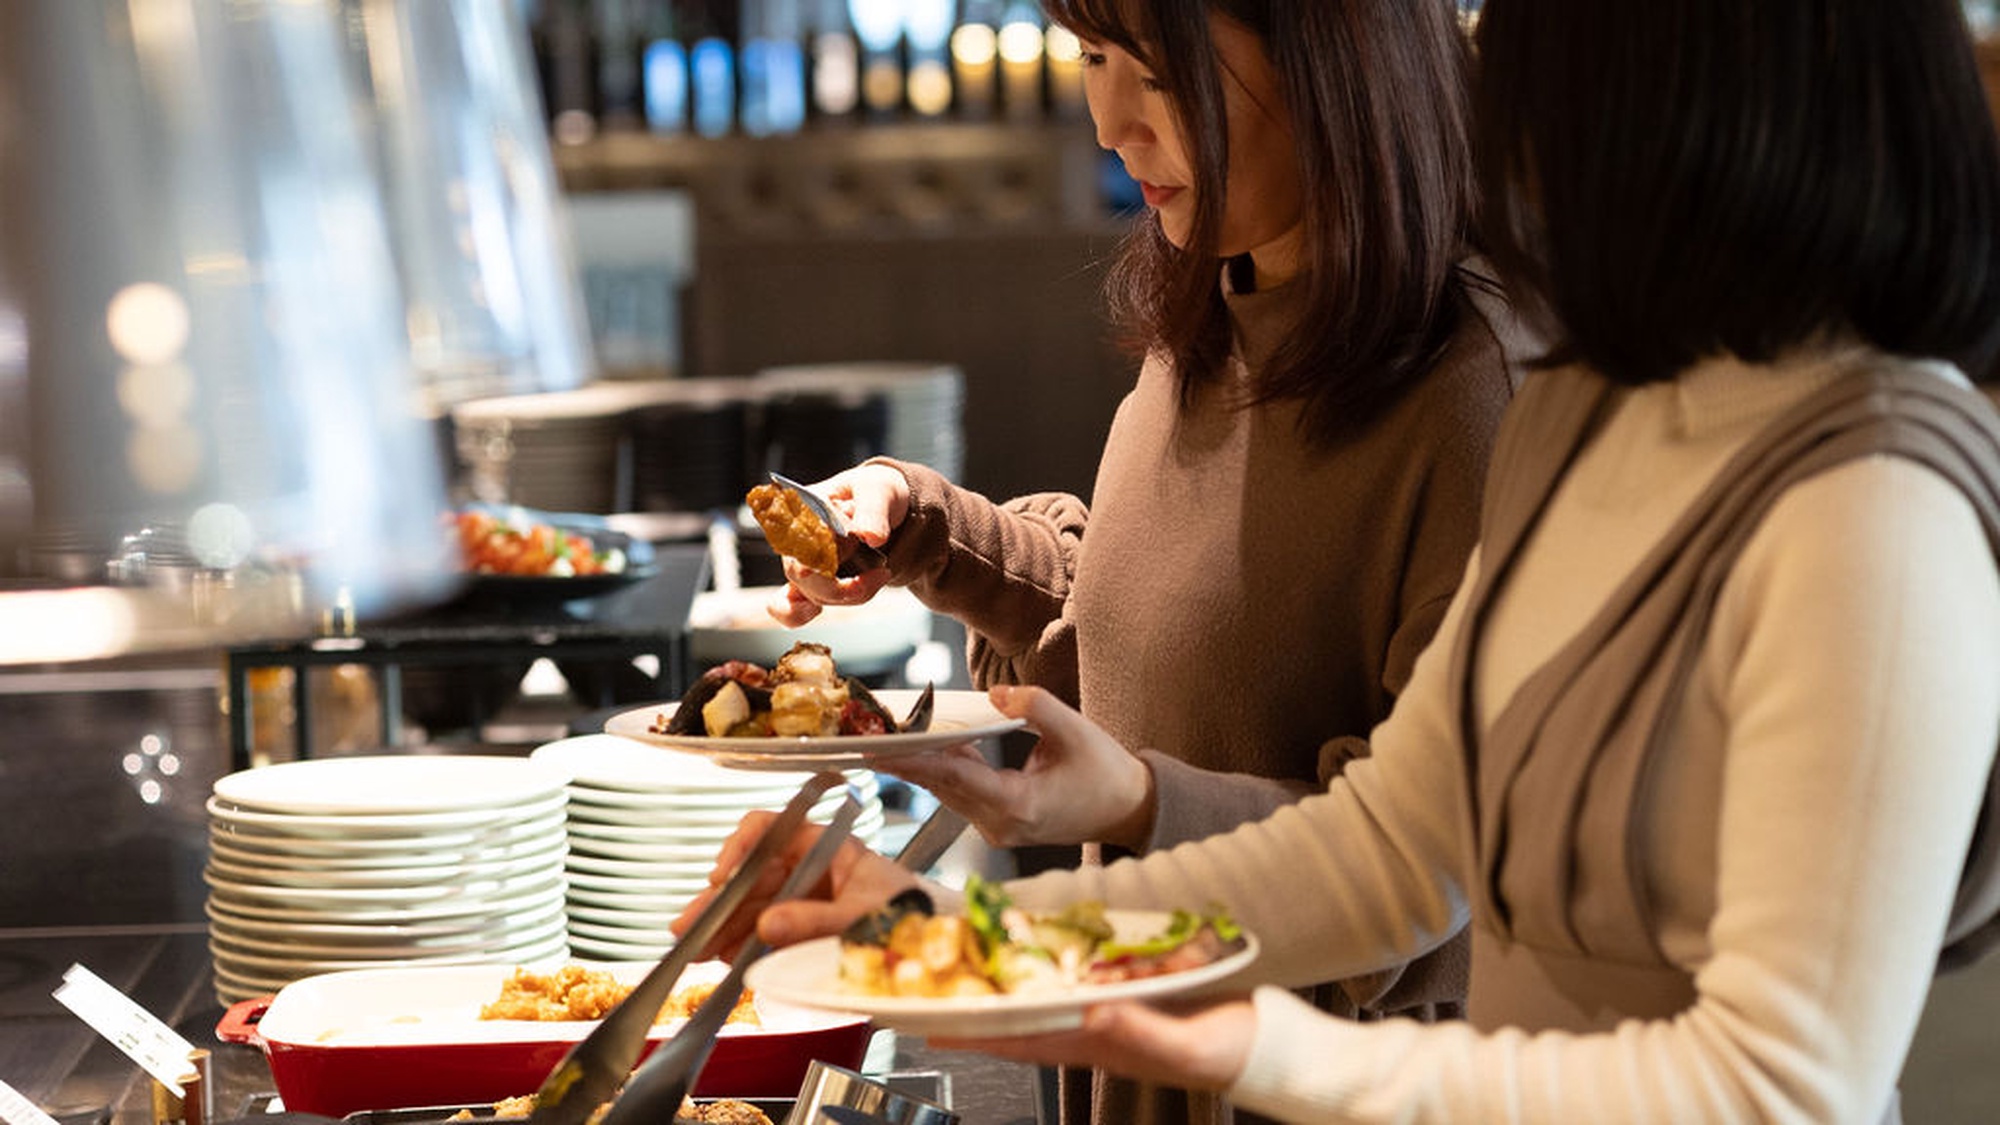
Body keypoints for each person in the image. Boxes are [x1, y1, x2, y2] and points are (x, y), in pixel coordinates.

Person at [687, 0, 2000, 1120]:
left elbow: (1777, 1082)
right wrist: (984, 948)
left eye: (1536, 93)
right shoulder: (1601, 413)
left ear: (1699, 130)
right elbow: (1395, 844)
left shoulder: (1871, 501)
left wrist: (1258, 1042)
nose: (1486, 135)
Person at [759, 2, 1521, 1116]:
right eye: (1092, 57)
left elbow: (1426, 873)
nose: (1110, 124)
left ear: (1332, 61)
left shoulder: (1471, 395)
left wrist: (1140, 805)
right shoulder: (1218, 312)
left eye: (1158, 71)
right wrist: (920, 525)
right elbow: (1134, 639)